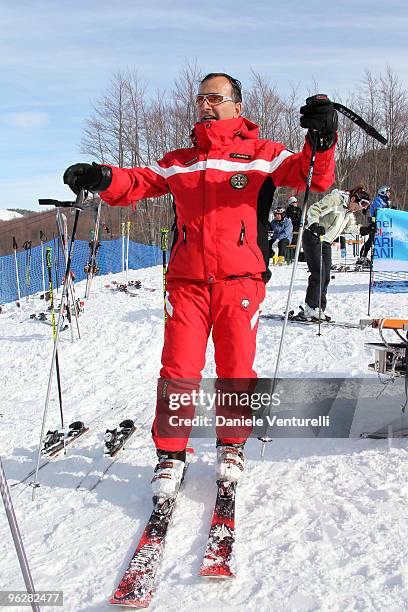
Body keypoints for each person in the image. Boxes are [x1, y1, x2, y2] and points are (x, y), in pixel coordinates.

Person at [63, 73, 338, 498]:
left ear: (237, 106)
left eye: (215, 97)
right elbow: (136, 181)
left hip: (240, 281)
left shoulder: (262, 155)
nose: (206, 104)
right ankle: (170, 456)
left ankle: (231, 447)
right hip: (187, 283)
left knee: (235, 371)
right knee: (178, 371)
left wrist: (322, 137)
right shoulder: (181, 160)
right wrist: (100, 176)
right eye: (201, 98)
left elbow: (312, 176)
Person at [300, 185, 370, 320]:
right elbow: (314, 209)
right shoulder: (336, 199)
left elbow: (350, 227)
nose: (357, 209)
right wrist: (315, 224)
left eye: (361, 208)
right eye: (358, 205)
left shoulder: (349, 211)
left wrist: (363, 230)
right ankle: (310, 308)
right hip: (313, 236)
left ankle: (319, 308)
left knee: (325, 277)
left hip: (326, 242)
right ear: (353, 198)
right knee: (318, 273)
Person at [359, 185, 391, 259]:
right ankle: (363, 256)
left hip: (382, 224)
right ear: (383, 192)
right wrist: (387, 209)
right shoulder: (378, 200)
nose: (389, 193)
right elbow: (379, 210)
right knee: (372, 240)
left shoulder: (385, 201)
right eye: (388, 192)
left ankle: (373, 256)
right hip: (375, 223)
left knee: (375, 240)